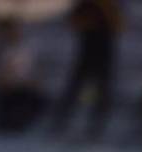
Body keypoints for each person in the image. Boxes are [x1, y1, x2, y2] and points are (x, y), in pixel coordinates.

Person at [52, 0, 123, 136]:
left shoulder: (112, 6)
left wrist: (105, 9)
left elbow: (119, 26)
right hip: (87, 52)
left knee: (102, 92)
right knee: (74, 90)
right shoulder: (86, 4)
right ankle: (60, 124)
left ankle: (96, 128)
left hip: (104, 53)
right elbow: (73, 22)